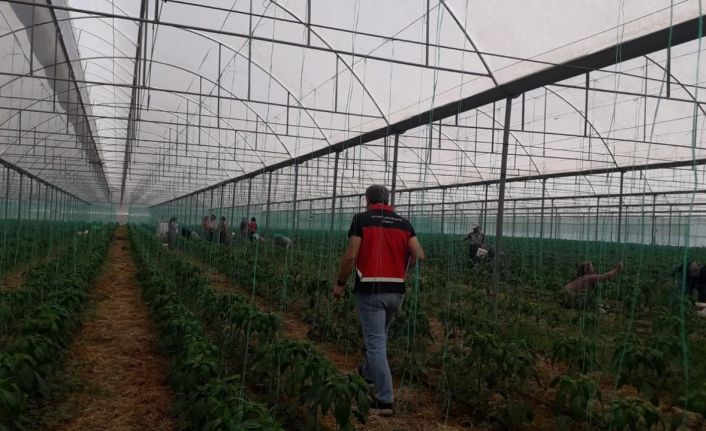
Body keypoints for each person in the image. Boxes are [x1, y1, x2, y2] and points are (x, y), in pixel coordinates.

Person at [333, 184, 424, 417]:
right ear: (387, 200)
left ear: (367, 200)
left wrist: (340, 283)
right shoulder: (404, 223)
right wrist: (401, 269)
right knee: (380, 336)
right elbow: (418, 254)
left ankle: (385, 401)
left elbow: (351, 255)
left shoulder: (362, 220)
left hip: (372, 290)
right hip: (396, 291)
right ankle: (367, 373)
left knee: (375, 343)